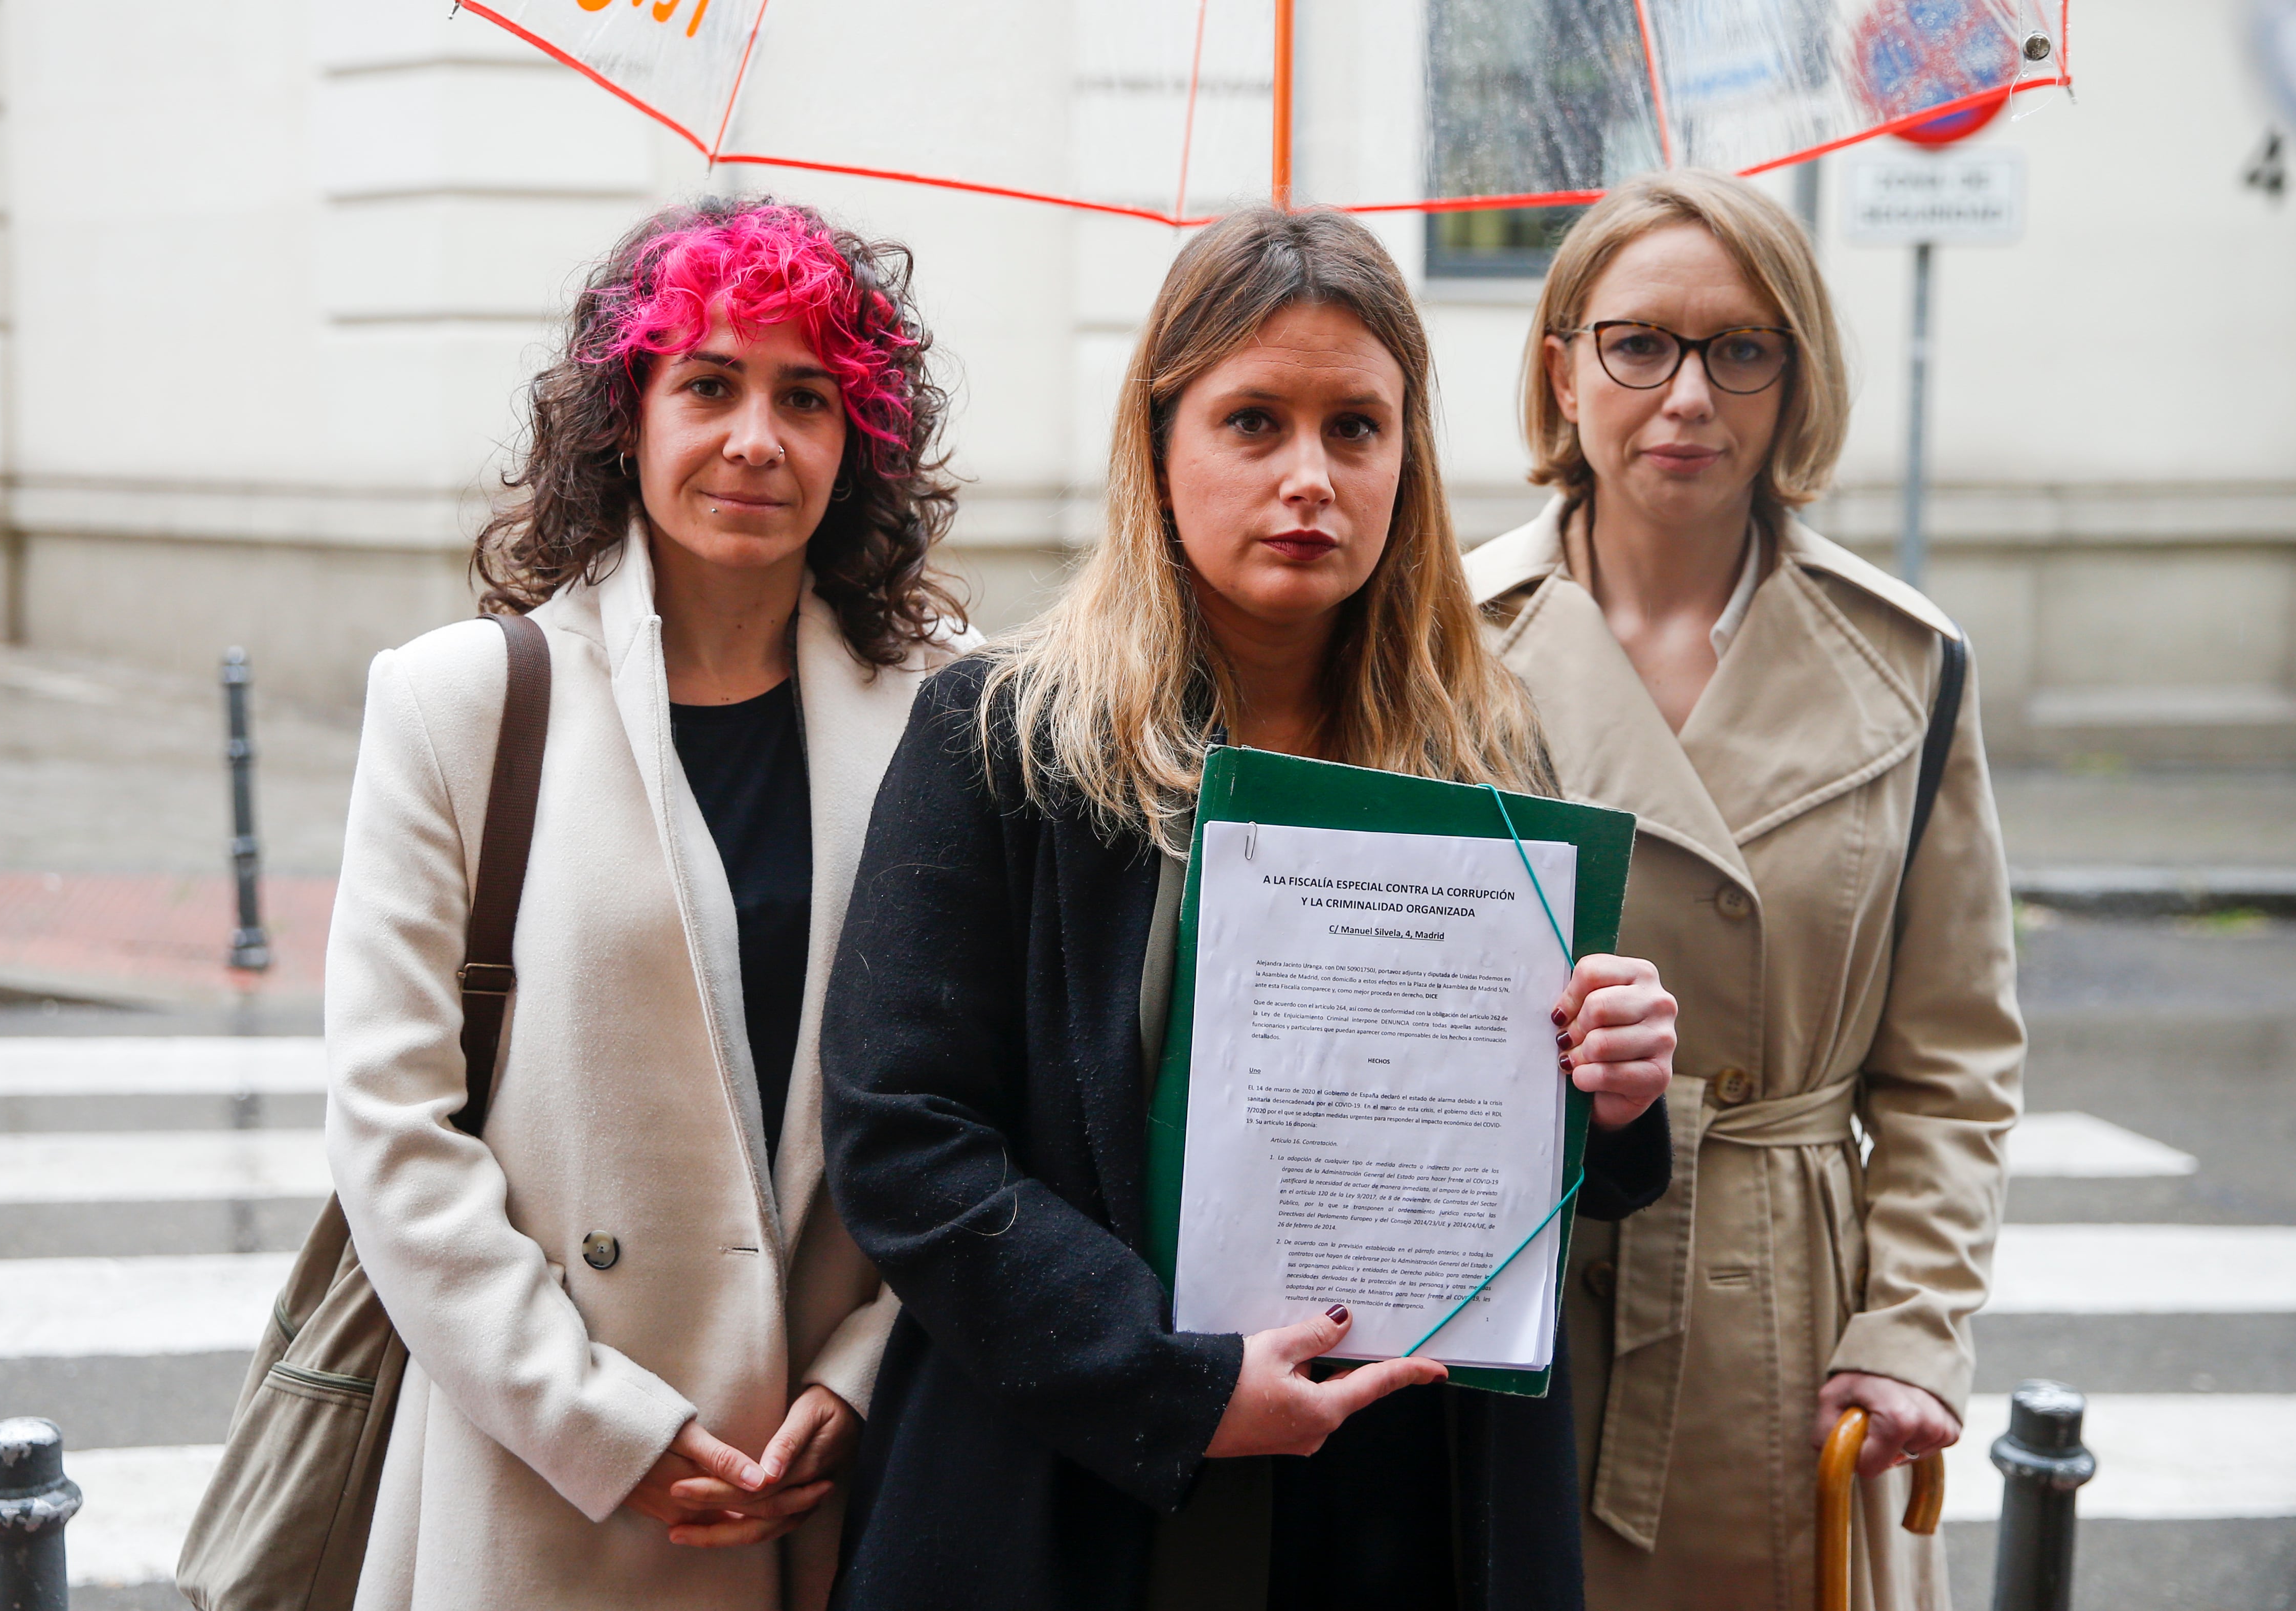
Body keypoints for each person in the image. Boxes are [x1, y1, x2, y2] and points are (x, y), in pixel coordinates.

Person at [809, 206, 1678, 1611]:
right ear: (1159, 444)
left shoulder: (1483, 755)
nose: (1309, 478)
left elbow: (1532, 1160)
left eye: (1355, 429)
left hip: (1402, 1496)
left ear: (1407, 459)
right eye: (1252, 422)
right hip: (1065, 1494)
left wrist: (1617, 1087)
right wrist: (1173, 1379)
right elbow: (903, 1139)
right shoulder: (1002, 737)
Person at [323, 196, 973, 1610]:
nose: (755, 439)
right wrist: (604, 1424)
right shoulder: (461, 704)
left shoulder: (944, 714)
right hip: (540, 1478)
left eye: (807, 396)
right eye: (708, 385)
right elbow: (392, 1129)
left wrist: (863, 1378)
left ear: (854, 439)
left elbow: (990, 1100)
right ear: (626, 416)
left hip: (829, 1482)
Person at [1463, 170, 2025, 1610]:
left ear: (1794, 380)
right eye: (1637, 343)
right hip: (1509, 1290)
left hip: (1786, 1310)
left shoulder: (1904, 664)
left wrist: (1909, 1330)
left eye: (1740, 349)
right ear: (1560, 365)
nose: (1686, 396)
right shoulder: (1438, 642)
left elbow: (1953, 1060)